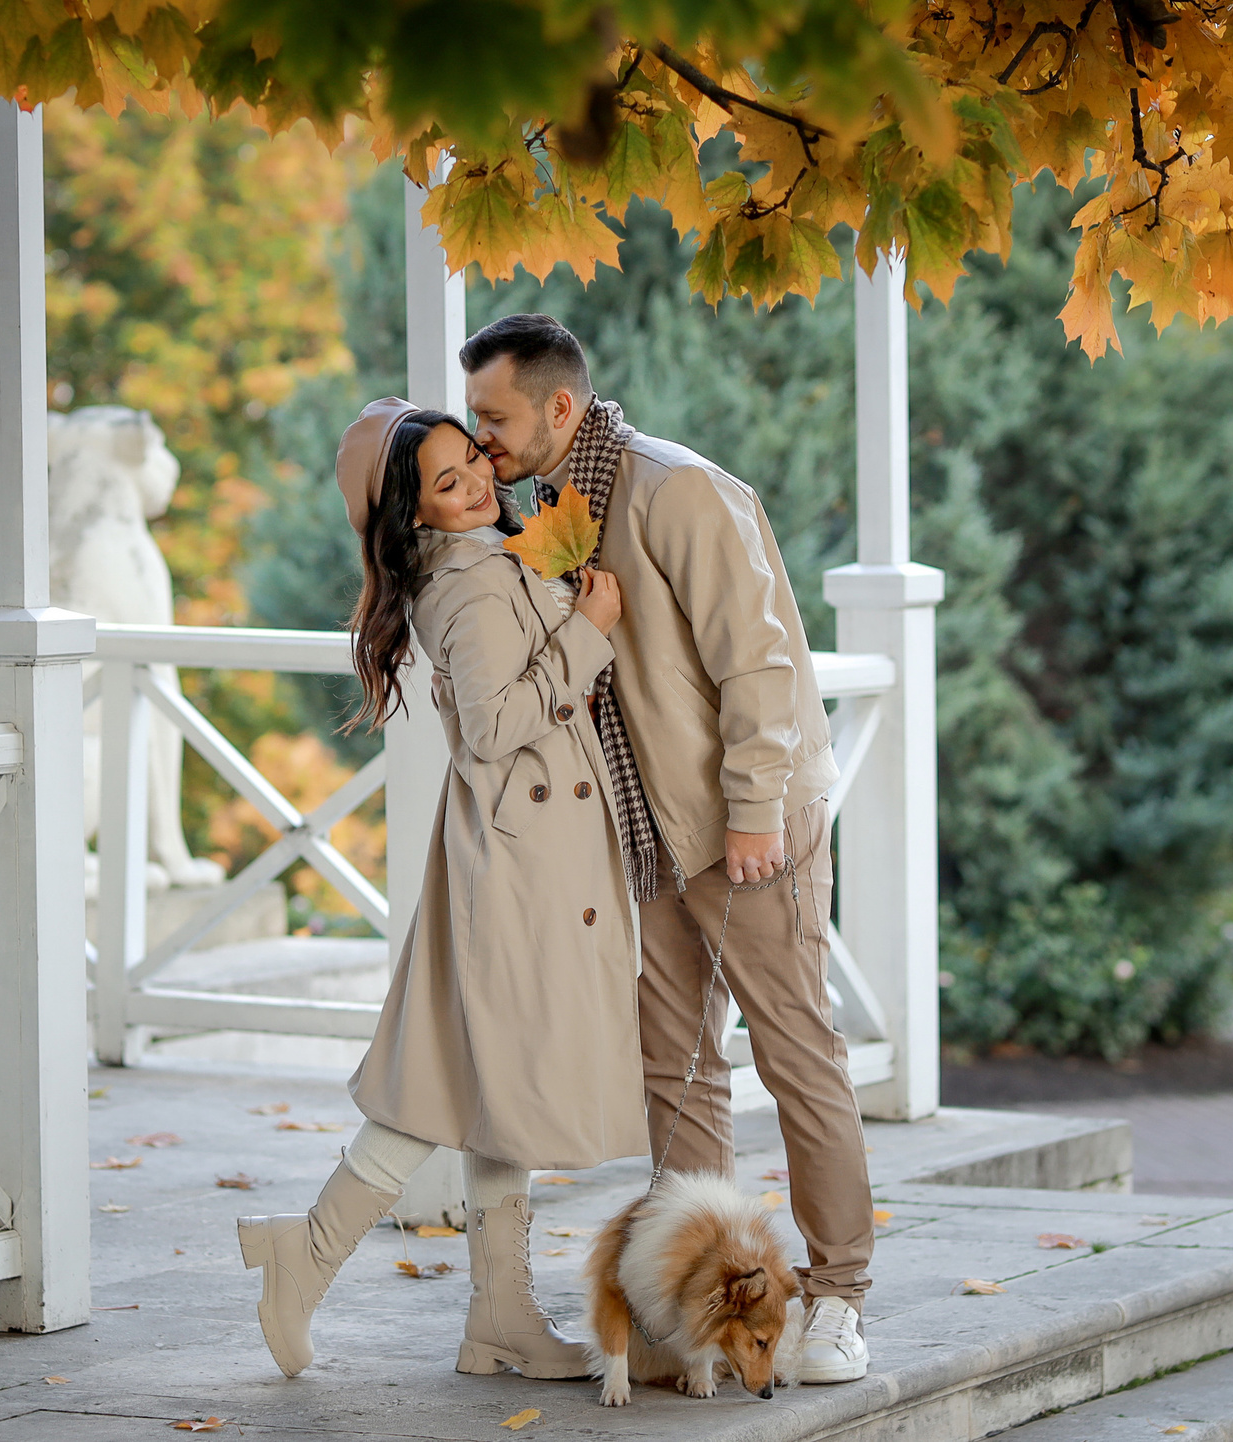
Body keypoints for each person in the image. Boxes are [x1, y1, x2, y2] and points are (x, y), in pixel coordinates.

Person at [460, 314, 872, 1385]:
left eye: (494, 417)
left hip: (742, 824)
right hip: (642, 835)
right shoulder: (547, 508)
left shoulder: (677, 491)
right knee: (677, 1069)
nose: (481, 437)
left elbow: (758, 664)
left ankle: (837, 1295)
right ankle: (706, 1301)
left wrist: (752, 809)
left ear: (558, 406)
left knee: (795, 1052)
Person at [238, 397, 644, 1381]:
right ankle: (309, 1254)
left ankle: (497, 1314)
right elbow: (496, 728)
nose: (476, 487)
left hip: (524, 854)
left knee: (495, 1085)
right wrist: (589, 632)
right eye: (447, 482)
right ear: (412, 513)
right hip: (518, 866)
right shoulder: (466, 586)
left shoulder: (495, 558)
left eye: (473, 463)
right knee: (457, 1083)